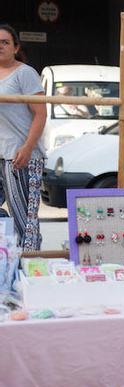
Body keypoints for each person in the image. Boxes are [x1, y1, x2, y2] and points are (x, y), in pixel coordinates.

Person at [0, 24, 46, 250]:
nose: (0, 46)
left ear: (16, 47)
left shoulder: (25, 73)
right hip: (1, 152)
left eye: (5, 42)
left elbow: (41, 113)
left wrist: (28, 148)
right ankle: (7, 259)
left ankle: (29, 267)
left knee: (24, 221)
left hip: (20, 155)